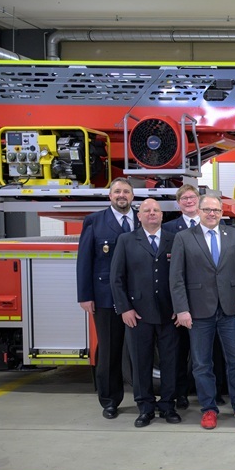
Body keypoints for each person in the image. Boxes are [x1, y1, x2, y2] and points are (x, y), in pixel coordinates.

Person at [170, 192, 235, 429]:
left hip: (230, 309)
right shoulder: (183, 237)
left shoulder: (234, 236)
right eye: (207, 210)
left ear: (222, 213)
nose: (212, 214)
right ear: (198, 211)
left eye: (216, 210)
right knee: (201, 363)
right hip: (198, 312)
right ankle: (209, 409)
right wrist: (182, 309)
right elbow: (176, 278)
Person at [110, 198, 180, 427]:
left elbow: (183, 277)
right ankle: (145, 407)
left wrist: (180, 308)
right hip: (137, 314)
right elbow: (116, 278)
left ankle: (168, 405)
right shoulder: (126, 240)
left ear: (162, 216)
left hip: (169, 314)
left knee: (170, 362)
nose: (152, 213)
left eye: (156, 210)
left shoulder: (174, 240)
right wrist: (124, 309)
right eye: (147, 210)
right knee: (141, 363)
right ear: (138, 216)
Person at [77, 177, 137, 419]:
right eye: (117, 191)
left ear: (132, 196)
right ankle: (110, 400)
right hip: (105, 297)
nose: (121, 195)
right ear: (109, 196)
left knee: (140, 350)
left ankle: (143, 398)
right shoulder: (94, 221)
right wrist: (85, 295)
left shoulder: (142, 219)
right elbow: (85, 261)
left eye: (126, 192)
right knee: (110, 350)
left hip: (138, 296)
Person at [162, 184, 214, 409]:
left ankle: (215, 392)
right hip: (184, 302)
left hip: (208, 302)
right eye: (184, 198)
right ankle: (181, 393)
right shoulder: (170, 229)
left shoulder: (214, 224)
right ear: (178, 203)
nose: (189, 201)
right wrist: (178, 305)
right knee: (181, 350)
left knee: (210, 352)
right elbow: (172, 272)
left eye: (192, 197)